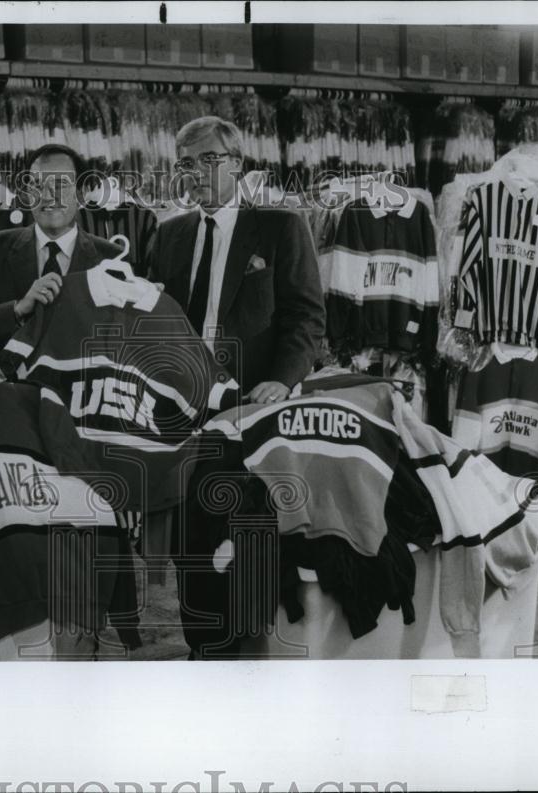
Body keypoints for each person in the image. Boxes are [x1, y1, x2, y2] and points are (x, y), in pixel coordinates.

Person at [144, 116, 326, 659]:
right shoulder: (170, 234)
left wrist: (281, 379)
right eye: (185, 163)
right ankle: (206, 651)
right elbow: (154, 322)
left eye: (207, 160)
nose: (194, 173)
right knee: (189, 542)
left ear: (237, 164)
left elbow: (306, 318)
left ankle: (248, 655)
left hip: (250, 409)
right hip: (181, 415)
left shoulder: (280, 226)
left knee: (246, 536)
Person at [0, 144, 123, 362]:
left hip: (80, 390)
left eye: (61, 184)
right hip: (9, 389)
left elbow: (121, 338)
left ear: (81, 194)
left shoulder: (111, 258)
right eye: (36, 184)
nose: (47, 195)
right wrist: (18, 308)